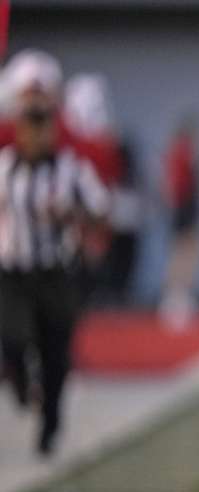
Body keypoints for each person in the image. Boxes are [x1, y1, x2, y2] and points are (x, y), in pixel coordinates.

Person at [0, 50, 109, 455]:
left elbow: (101, 214)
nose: (36, 132)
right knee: (11, 338)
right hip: (12, 270)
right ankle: (17, 381)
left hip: (54, 272)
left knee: (55, 352)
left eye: (43, 123)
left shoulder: (71, 169)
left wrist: (70, 215)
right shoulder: (4, 167)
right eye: (30, 122)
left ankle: (50, 424)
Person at [160, 111, 199, 331]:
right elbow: (178, 185)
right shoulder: (183, 153)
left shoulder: (180, 153)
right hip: (184, 209)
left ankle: (180, 296)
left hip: (185, 208)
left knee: (187, 253)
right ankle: (175, 299)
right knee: (184, 253)